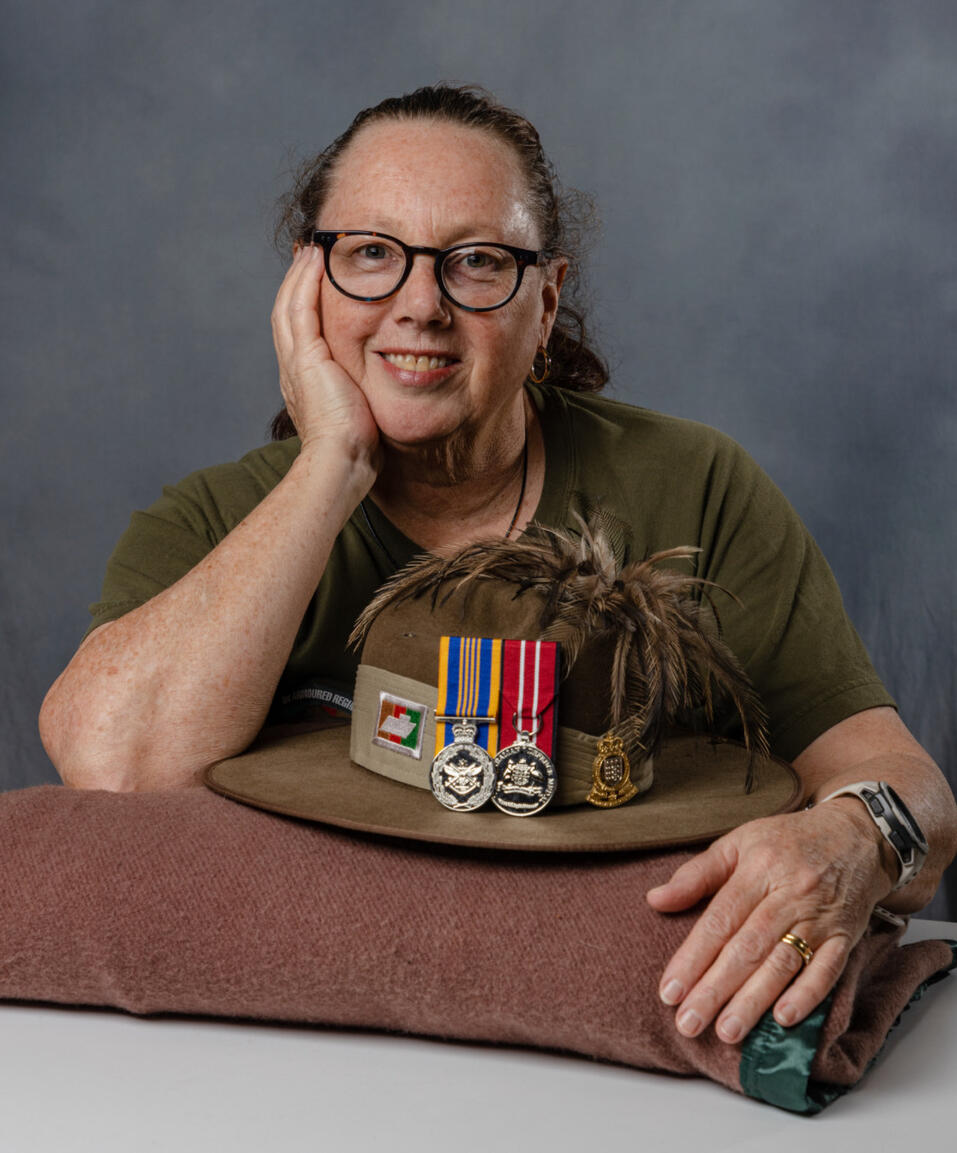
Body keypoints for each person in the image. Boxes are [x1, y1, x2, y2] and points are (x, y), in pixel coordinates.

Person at [39, 85, 957, 1050]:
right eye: (370, 254)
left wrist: (854, 838)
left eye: (477, 261)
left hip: (627, 1035)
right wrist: (331, 464)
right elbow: (113, 764)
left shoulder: (694, 487)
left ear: (546, 298)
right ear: (307, 288)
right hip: (283, 1042)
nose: (419, 305)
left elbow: (910, 793)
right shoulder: (212, 521)